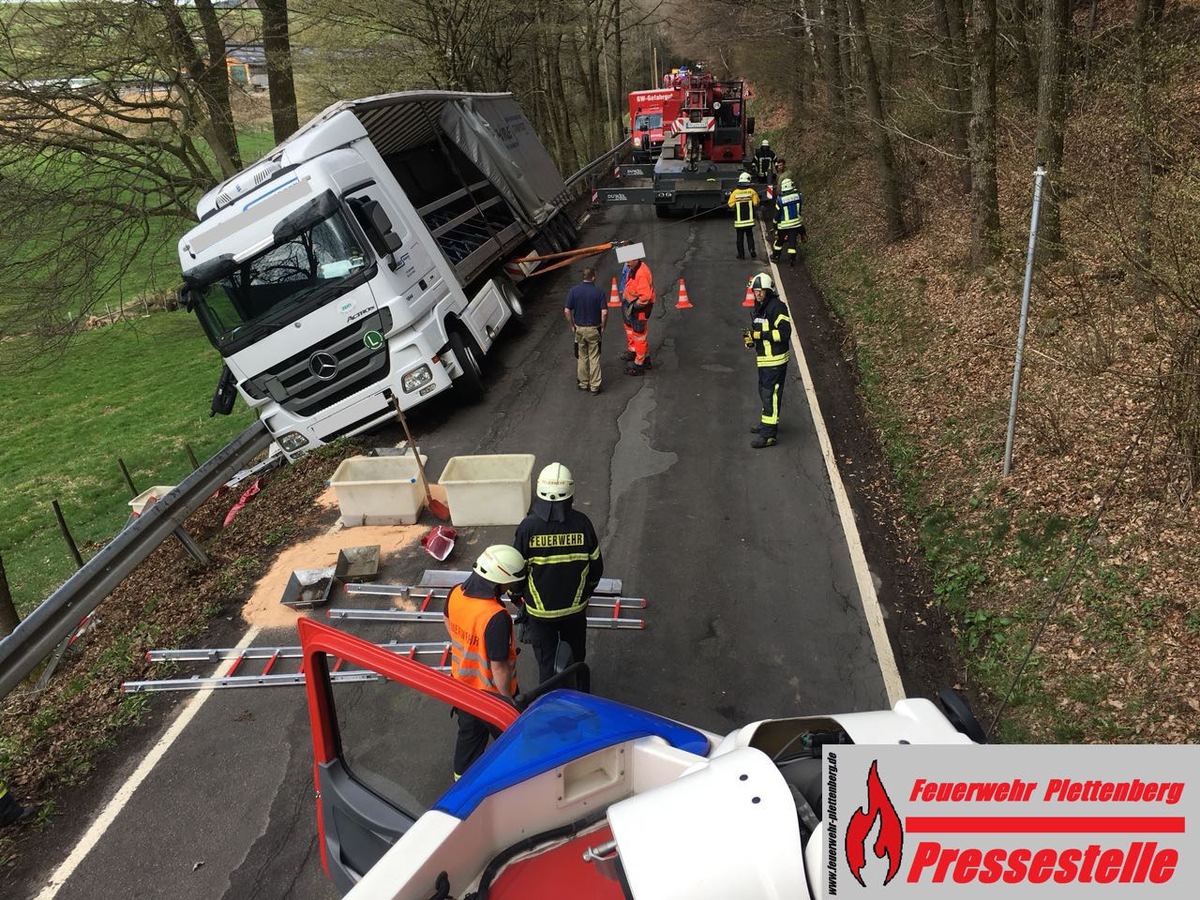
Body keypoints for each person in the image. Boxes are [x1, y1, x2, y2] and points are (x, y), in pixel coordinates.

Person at [512, 463, 603, 692]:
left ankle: (550, 706)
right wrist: (586, 593)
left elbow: (517, 571)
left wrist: (517, 596)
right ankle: (581, 699)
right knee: (576, 660)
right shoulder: (582, 524)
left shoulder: (527, 528)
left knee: (546, 663)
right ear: (570, 493)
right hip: (575, 611)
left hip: (539, 614)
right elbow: (596, 568)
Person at [444, 545, 526, 779]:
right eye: (511, 582)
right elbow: (499, 666)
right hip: (491, 695)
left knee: (469, 741)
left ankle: (462, 784)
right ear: (500, 580)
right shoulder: (495, 616)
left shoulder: (455, 593)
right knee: (513, 740)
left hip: (462, 689)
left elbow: (448, 622)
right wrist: (508, 702)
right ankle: (519, 779)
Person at [744, 272, 792, 449]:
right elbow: (759, 332)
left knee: (769, 395)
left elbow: (785, 333)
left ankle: (769, 435)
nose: (757, 294)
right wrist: (752, 340)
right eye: (755, 291)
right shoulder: (761, 307)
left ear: (768, 291)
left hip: (775, 361)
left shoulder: (776, 307)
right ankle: (767, 425)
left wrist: (760, 335)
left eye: (761, 291)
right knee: (765, 393)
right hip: (765, 360)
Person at [564, 266, 607, 394]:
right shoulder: (599, 292)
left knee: (582, 357)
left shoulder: (573, 291)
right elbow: (604, 312)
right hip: (594, 329)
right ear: (593, 277)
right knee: (594, 357)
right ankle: (594, 386)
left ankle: (583, 383)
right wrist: (603, 326)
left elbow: (567, 310)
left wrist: (572, 326)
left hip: (579, 329)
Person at [620, 250, 656, 376]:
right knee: (633, 331)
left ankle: (639, 365)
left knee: (639, 335)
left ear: (636, 259)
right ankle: (641, 356)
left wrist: (635, 306)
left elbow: (645, 297)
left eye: (628, 261)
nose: (627, 264)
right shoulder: (636, 267)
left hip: (639, 309)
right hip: (633, 305)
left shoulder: (641, 273)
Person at [771, 178, 806, 267]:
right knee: (792, 242)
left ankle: (776, 256)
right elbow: (800, 209)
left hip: (783, 226)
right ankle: (792, 259)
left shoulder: (780, 200)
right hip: (796, 224)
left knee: (779, 242)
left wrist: (775, 223)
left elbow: (777, 214)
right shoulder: (798, 196)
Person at [727, 172, 761, 260]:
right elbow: (756, 203)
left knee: (739, 238)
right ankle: (752, 250)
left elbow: (730, 205)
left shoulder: (735, 193)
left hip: (739, 221)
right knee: (750, 236)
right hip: (749, 220)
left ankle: (741, 255)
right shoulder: (752, 191)